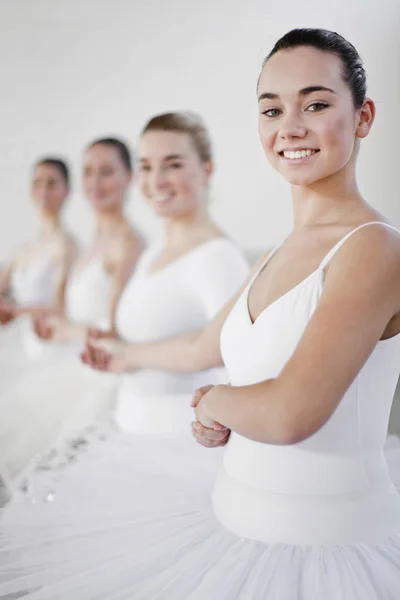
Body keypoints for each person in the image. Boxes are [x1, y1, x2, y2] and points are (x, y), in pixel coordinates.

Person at [2, 28, 399, 598]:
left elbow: (292, 412)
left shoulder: (376, 247)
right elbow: (198, 348)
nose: (289, 126)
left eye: (315, 104)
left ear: (363, 117)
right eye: (271, 109)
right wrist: (114, 353)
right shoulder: (273, 255)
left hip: (326, 549)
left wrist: (215, 402)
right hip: (226, 524)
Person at [0, 137, 143, 486]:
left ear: (130, 176)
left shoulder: (127, 243)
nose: (95, 183)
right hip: (69, 364)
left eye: (107, 172)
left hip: (98, 380)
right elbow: (67, 311)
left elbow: (116, 331)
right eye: (89, 172)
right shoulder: (92, 241)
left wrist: (62, 330)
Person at [0, 158, 75, 369]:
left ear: (66, 190)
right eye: (38, 183)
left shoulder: (66, 245)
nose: (44, 190)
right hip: (20, 345)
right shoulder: (22, 250)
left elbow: (62, 307)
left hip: (50, 347)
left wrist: (15, 311)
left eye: (52, 183)